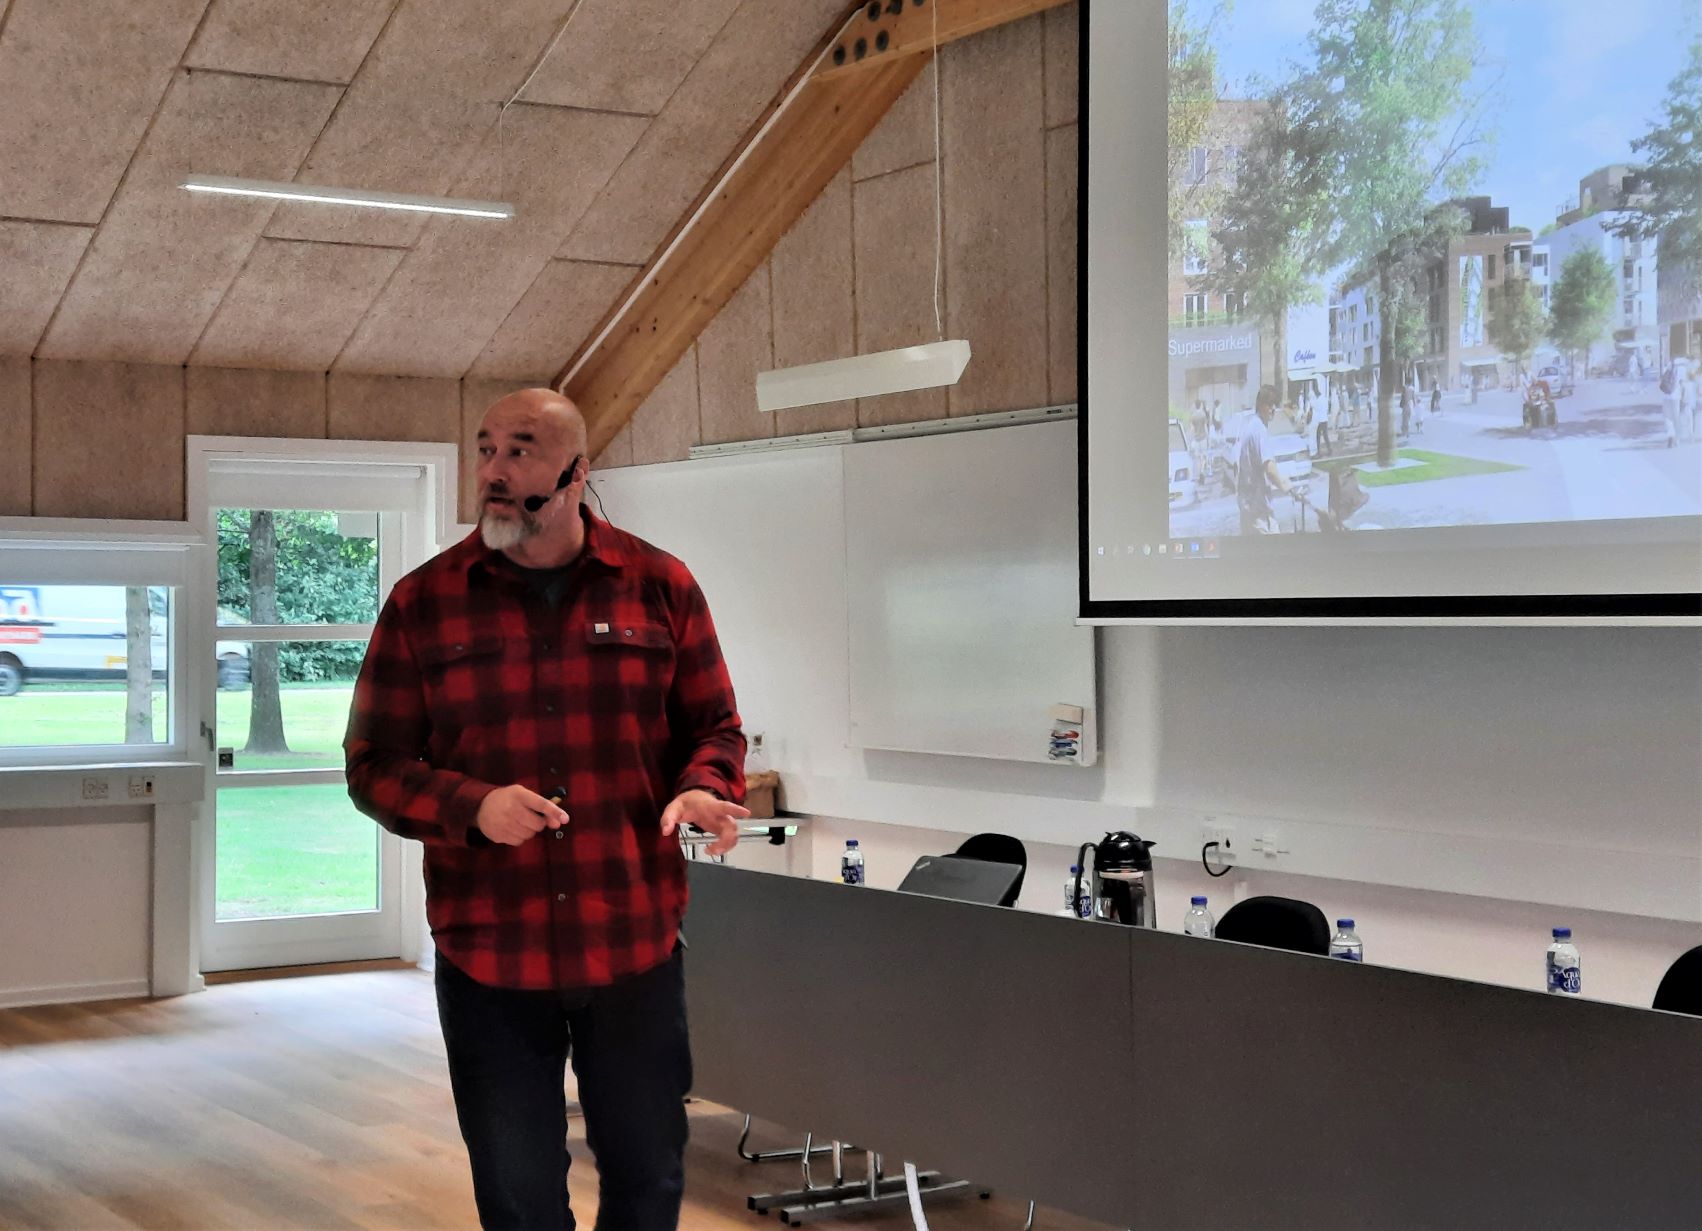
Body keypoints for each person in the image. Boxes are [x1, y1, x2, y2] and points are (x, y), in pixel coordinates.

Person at [345, 388, 750, 1230]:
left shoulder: (662, 586)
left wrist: (704, 785)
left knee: (649, 1177)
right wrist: (472, 804)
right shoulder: (425, 602)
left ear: (575, 474)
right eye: (485, 449)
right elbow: (371, 765)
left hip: (630, 940)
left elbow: (713, 726)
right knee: (517, 1190)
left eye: (520, 451)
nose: (493, 471)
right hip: (491, 949)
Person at [1237, 385, 1294, 534]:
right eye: (1270, 404)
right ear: (1261, 405)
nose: (1273, 408)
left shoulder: (1254, 426)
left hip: (1252, 508)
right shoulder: (1258, 430)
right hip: (1257, 512)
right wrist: (1283, 486)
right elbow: (1269, 468)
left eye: (1275, 404)